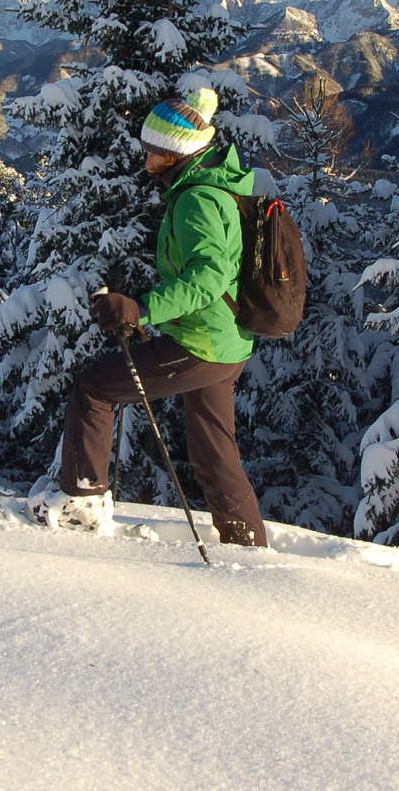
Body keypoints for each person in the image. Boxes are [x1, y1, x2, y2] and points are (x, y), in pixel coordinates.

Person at [27, 85, 268, 547]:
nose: (146, 161)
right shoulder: (214, 186)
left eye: (154, 153)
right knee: (215, 452)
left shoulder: (197, 199)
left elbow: (208, 278)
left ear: (177, 153)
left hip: (202, 344)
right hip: (227, 342)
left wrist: (142, 309)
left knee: (94, 386)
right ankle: (247, 545)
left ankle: (80, 502)